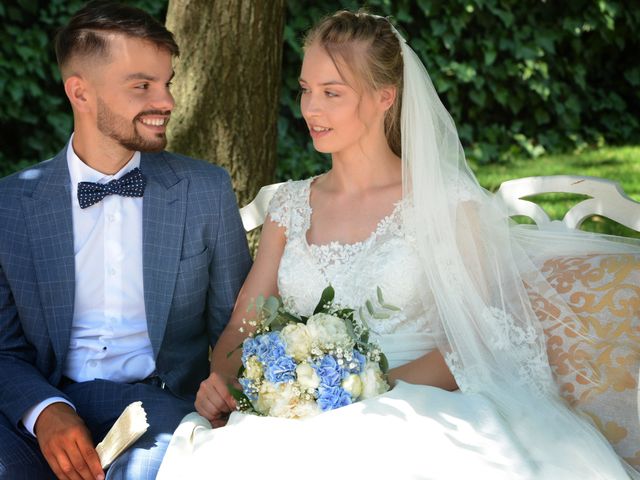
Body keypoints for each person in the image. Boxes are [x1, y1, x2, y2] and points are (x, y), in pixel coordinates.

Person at [158, 10, 640, 480]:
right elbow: (245, 322)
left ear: (384, 96)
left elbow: (473, 345)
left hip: (416, 402)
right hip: (295, 410)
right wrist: (226, 381)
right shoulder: (290, 205)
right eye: (306, 90)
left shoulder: (447, 204)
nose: (311, 109)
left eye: (332, 92)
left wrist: (357, 391)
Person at [0, 2, 251, 479]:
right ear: (81, 93)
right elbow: (2, 349)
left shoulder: (205, 192)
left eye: (167, 82)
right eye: (142, 86)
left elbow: (232, 331)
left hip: (164, 404)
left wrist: (223, 387)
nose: (167, 102)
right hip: (44, 402)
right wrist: (44, 409)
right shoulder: (9, 207)